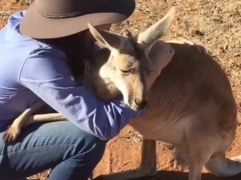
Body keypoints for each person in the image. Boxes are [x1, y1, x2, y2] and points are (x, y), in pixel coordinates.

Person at [0, 0, 174, 179]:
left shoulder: (33, 26)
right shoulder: (37, 61)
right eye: (105, 17)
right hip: (3, 136)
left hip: (16, 117)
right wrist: (152, 72)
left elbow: (96, 54)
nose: (110, 24)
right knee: (87, 140)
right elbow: (103, 125)